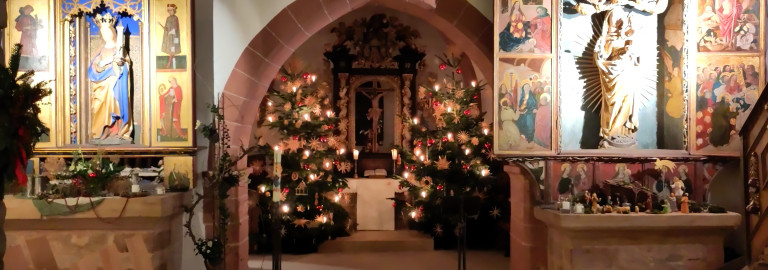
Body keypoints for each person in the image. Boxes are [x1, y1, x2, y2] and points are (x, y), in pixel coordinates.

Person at [88, 12, 132, 141]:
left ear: (113, 32)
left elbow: (126, 63)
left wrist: (120, 63)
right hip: (102, 82)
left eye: (107, 32)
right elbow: (94, 62)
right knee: (100, 105)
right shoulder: (101, 48)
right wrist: (97, 66)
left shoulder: (119, 48)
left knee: (116, 105)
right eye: (103, 33)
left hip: (115, 82)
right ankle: (103, 131)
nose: (105, 35)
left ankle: (117, 131)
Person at [159, 4, 181, 69]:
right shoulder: (168, 18)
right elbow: (166, 28)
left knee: (172, 51)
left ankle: (169, 64)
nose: (170, 12)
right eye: (168, 10)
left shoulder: (175, 18)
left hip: (174, 38)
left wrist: (171, 32)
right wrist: (160, 25)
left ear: (174, 10)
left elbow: (176, 27)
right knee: (172, 52)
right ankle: (174, 66)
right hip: (169, 38)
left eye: (171, 10)